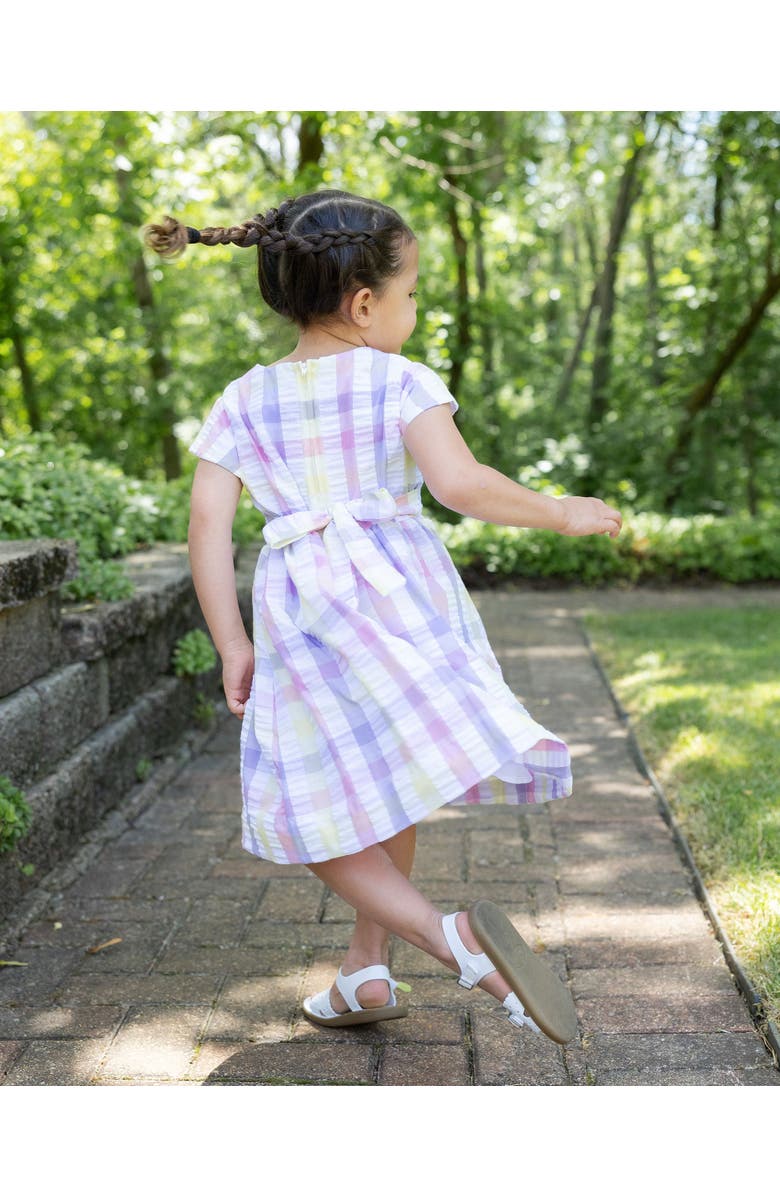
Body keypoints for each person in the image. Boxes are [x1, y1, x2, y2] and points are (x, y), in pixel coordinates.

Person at [145, 191, 621, 1044]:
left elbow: (206, 528)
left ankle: (377, 964)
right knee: (366, 782)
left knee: (315, 791)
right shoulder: (401, 379)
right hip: (402, 599)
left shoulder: (243, 401)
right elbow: (461, 487)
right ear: (364, 305)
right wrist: (560, 510)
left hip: (303, 614)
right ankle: (436, 944)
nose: (414, 310)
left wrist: (231, 643)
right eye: (410, 295)